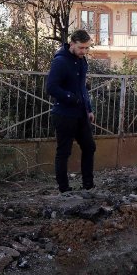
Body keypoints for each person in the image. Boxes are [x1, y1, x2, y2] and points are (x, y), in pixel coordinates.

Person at [47, 29, 96, 192]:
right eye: (81, 48)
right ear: (72, 44)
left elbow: (82, 87)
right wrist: (70, 97)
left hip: (81, 114)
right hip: (63, 114)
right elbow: (51, 87)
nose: (84, 51)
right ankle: (64, 189)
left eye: (87, 48)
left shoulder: (82, 61)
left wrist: (88, 109)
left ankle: (88, 185)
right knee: (64, 152)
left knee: (89, 147)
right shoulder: (60, 61)